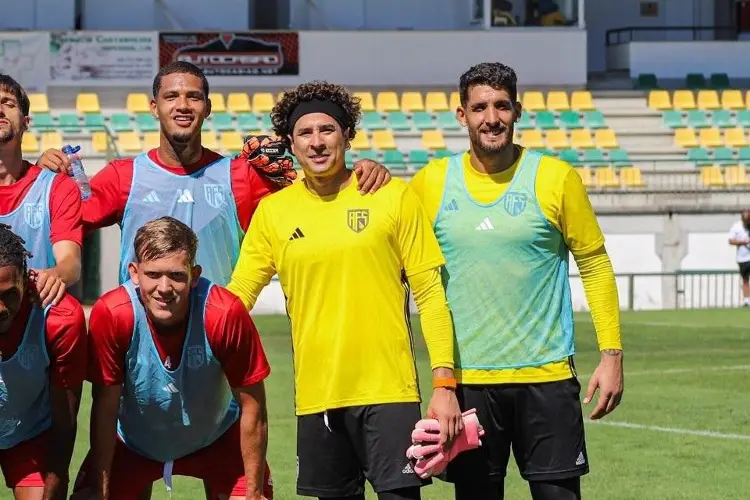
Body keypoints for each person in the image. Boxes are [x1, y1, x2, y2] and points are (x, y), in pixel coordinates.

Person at [227, 81, 463, 500]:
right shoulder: (274, 213)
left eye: (327, 130)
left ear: (347, 136)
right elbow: (239, 295)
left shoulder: (392, 196)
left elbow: (430, 294)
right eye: (305, 133)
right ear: (291, 144)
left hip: (390, 394)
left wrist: (444, 386)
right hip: (318, 398)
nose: (317, 143)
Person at [409, 62, 624, 500]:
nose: (492, 118)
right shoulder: (430, 183)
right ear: (461, 115)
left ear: (518, 110)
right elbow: (398, 265)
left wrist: (611, 355)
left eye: (502, 106)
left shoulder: (556, 178)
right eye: (480, 107)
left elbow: (595, 264)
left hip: (546, 377)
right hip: (468, 384)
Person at [36, 61, 391, 287]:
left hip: (217, 330)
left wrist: (355, 172)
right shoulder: (122, 176)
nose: (182, 105)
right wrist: (41, 177)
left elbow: (315, 202)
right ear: (154, 107)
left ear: (207, 108)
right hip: (141, 333)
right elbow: (61, 221)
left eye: (193, 97)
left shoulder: (241, 175)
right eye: (171, 96)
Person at [74, 216, 272, 500]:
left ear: (194, 274)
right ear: (134, 272)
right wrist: (100, 490)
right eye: (153, 274)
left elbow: (253, 406)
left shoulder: (223, 313)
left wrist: (253, 493)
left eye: (177, 275)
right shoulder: (113, 313)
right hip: (133, 444)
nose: (164, 288)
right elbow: (105, 407)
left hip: (216, 438)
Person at [0, 224, 87, 499]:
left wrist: (56, 482)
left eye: (8, 294)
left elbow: (65, 423)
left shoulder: (59, 318)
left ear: (26, 281)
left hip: (29, 437)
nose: (0, 308)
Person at [0, 73, 83, 307]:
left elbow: (70, 263)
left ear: (26, 122)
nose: (0, 110)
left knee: (71, 313)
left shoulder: (57, 187)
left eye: (9, 103)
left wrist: (54, 275)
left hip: (35, 315)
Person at [728, 208, 750, 307]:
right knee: (745, 279)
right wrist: (742, 242)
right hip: (743, 258)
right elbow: (731, 241)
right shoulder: (736, 226)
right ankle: (747, 300)